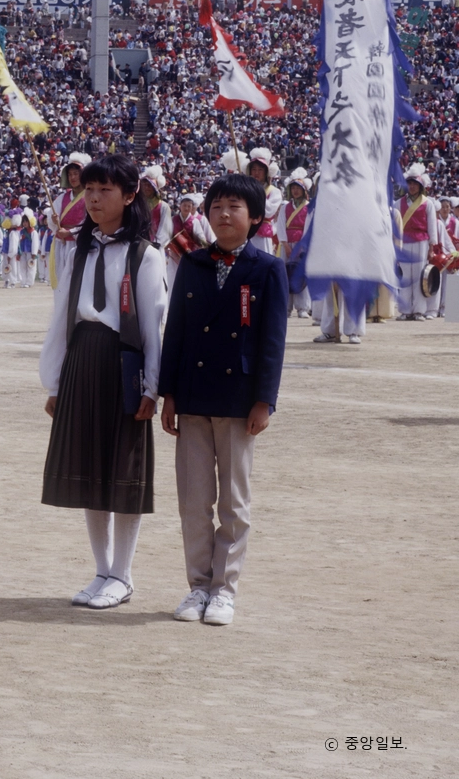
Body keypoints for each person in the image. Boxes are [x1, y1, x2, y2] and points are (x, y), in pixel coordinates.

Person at [159, 173, 288, 626]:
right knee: (194, 500)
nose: (224, 214)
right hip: (192, 397)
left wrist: (264, 401)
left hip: (238, 399)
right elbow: (175, 331)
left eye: (234, 207)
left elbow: (273, 340)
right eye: (216, 206)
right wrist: (168, 392)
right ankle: (197, 586)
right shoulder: (192, 263)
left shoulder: (268, 269)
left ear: (255, 217)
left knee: (234, 500)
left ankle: (224, 590)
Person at [40, 155, 167, 610]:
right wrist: (54, 380)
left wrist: (152, 388)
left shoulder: (145, 256)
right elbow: (62, 317)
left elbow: (155, 325)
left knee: (123, 472)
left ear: (130, 195)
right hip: (83, 361)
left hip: (123, 365)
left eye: (104, 190)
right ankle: (100, 569)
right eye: (89, 190)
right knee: (90, 470)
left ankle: (123, 574)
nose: (93, 199)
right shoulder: (80, 249)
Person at [397, 164, 438, 321]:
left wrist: (431, 247)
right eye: (409, 183)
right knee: (406, 276)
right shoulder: (398, 203)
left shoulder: (427, 203)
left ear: (420, 187)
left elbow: (432, 227)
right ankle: (405, 310)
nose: (412, 186)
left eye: (415, 184)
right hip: (404, 241)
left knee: (421, 276)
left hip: (422, 241)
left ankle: (419, 310)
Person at [275, 168, 313, 317]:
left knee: (301, 274)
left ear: (304, 190)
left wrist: (302, 245)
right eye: (293, 188)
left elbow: (309, 227)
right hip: (287, 243)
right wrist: (285, 244)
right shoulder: (285, 207)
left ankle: (303, 308)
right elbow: (280, 225)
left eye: (298, 188)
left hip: (302, 244)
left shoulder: (309, 207)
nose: (296, 191)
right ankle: (287, 307)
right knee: (286, 274)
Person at [246, 148, 283, 256]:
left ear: (266, 172)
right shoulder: (245, 190)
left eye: (260, 170)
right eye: (254, 169)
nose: (256, 173)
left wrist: (255, 192)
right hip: (245, 231)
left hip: (263, 233)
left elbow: (269, 212)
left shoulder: (274, 191)